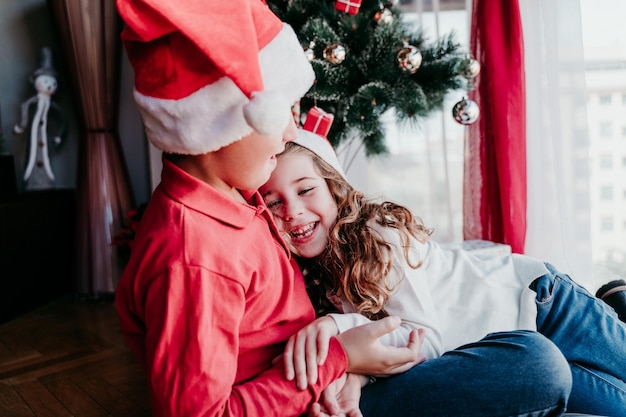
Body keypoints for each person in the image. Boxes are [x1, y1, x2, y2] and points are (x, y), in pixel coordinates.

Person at [114, 0, 572, 416]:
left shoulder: (237, 194)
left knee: (547, 353)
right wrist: (343, 360)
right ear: (221, 125)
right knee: (535, 364)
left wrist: (347, 358)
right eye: (281, 112)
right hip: (326, 398)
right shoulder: (195, 259)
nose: (290, 132)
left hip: (336, 372)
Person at [259, 128, 626, 417]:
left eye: (305, 190)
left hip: (542, 303)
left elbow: (425, 340)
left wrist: (339, 330)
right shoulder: (310, 277)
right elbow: (400, 353)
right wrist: (357, 370)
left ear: (335, 190)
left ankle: (615, 301)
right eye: (273, 202)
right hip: (517, 347)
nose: (291, 210)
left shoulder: (377, 235)